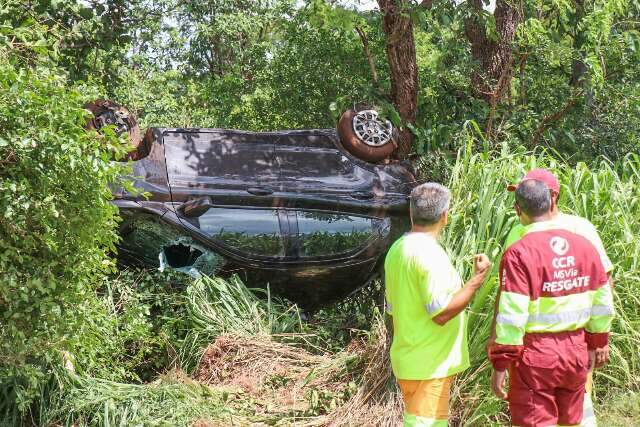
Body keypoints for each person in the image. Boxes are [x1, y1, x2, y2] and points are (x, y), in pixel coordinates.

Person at [490, 168, 613, 426]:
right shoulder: (583, 244)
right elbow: (602, 297)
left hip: (536, 353)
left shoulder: (519, 251)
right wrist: (597, 338)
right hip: (575, 348)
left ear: (518, 210)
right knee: (572, 421)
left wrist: (501, 360)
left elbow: (512, 312)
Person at [385, 182, 492, 427]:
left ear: (412, 213)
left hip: (410, 357)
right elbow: (441, 313)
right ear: (444, 216)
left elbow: (393, 308)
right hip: (429, 364)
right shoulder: (429, 254)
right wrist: (477, 279)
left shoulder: (397, 249)